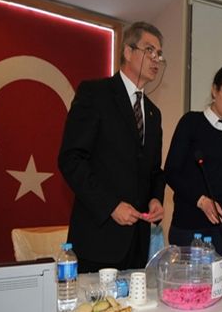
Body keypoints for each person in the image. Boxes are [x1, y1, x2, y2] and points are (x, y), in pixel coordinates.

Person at [58, 22, 166, 272]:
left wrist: (155, 198)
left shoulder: (153, 113)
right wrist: (110, 206)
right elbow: (71, 159)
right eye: (149, 50)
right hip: (99, 238)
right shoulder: (95, 93)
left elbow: (153, 170)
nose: (156, 59)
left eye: (159, 54)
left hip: (137, 244)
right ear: (128, 51)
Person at [166, 64, 222, 256]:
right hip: (189, 225)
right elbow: (171, 172)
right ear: (214, 90)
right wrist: (201, 201)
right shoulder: (191, 123)